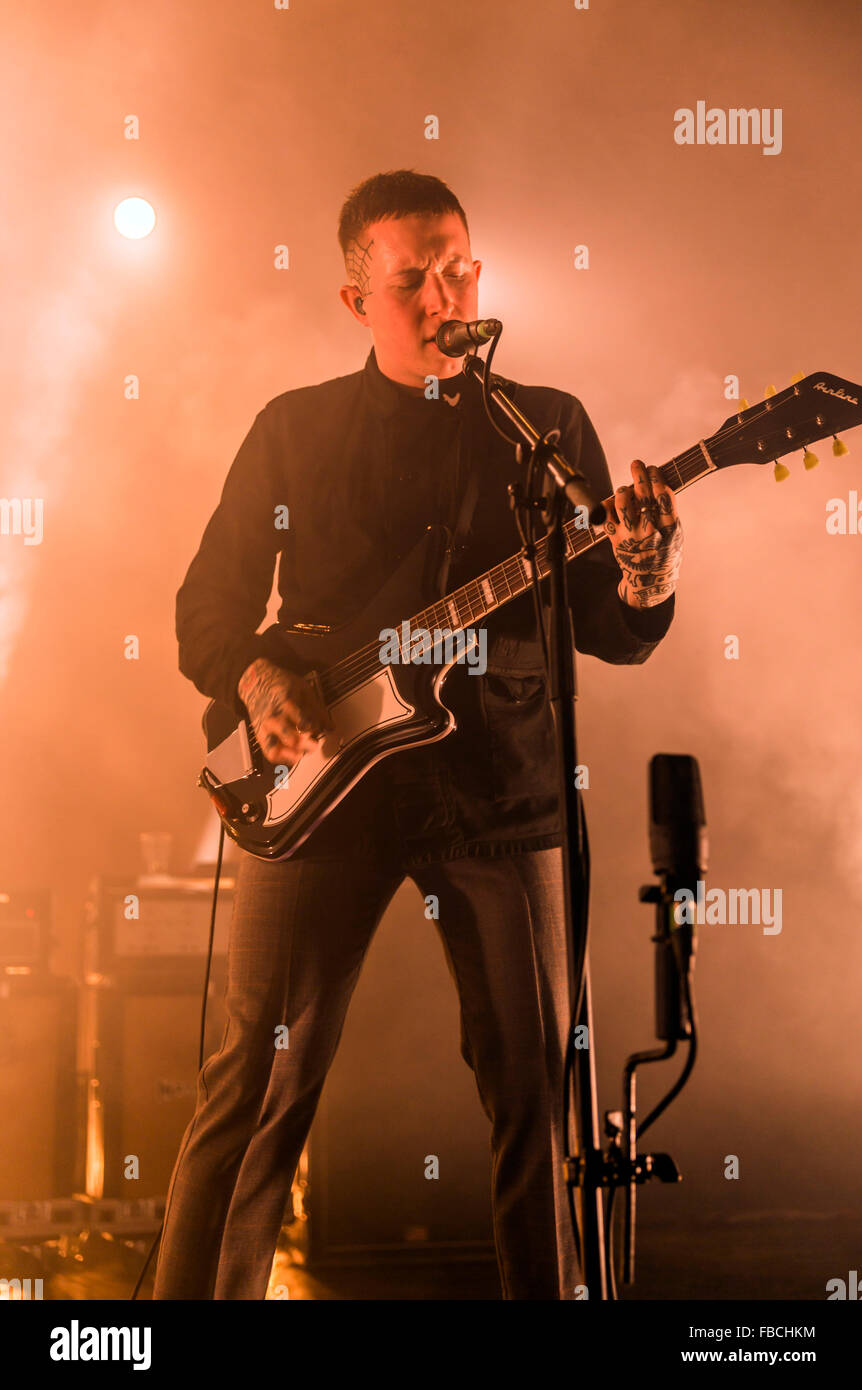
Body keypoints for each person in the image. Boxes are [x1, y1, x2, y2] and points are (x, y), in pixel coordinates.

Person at [153, 169, 683, 1301]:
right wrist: (254, 678)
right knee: (255, 1077)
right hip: (320, 790)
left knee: (539, 1090)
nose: (446, 293)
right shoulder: (294, 431)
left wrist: (642, 569)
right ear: (356, 301)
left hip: (502, 792)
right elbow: (205, 607)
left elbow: (607, 630)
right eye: (413, 279)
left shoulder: (546, 431)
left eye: (459, 266)